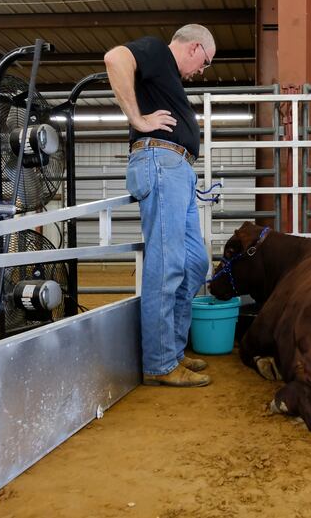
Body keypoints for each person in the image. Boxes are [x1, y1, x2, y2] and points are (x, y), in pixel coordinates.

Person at [104, 24, 215, 387]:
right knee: (167, 264)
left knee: (196, 262)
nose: (201, 71)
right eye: (205, 62)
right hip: (160, 161)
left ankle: (172, 350)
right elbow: (115, 57)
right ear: (196, 47)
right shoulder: (155, 50)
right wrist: (137, 119)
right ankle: (160, 363)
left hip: (177, 168)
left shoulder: (164, 73)